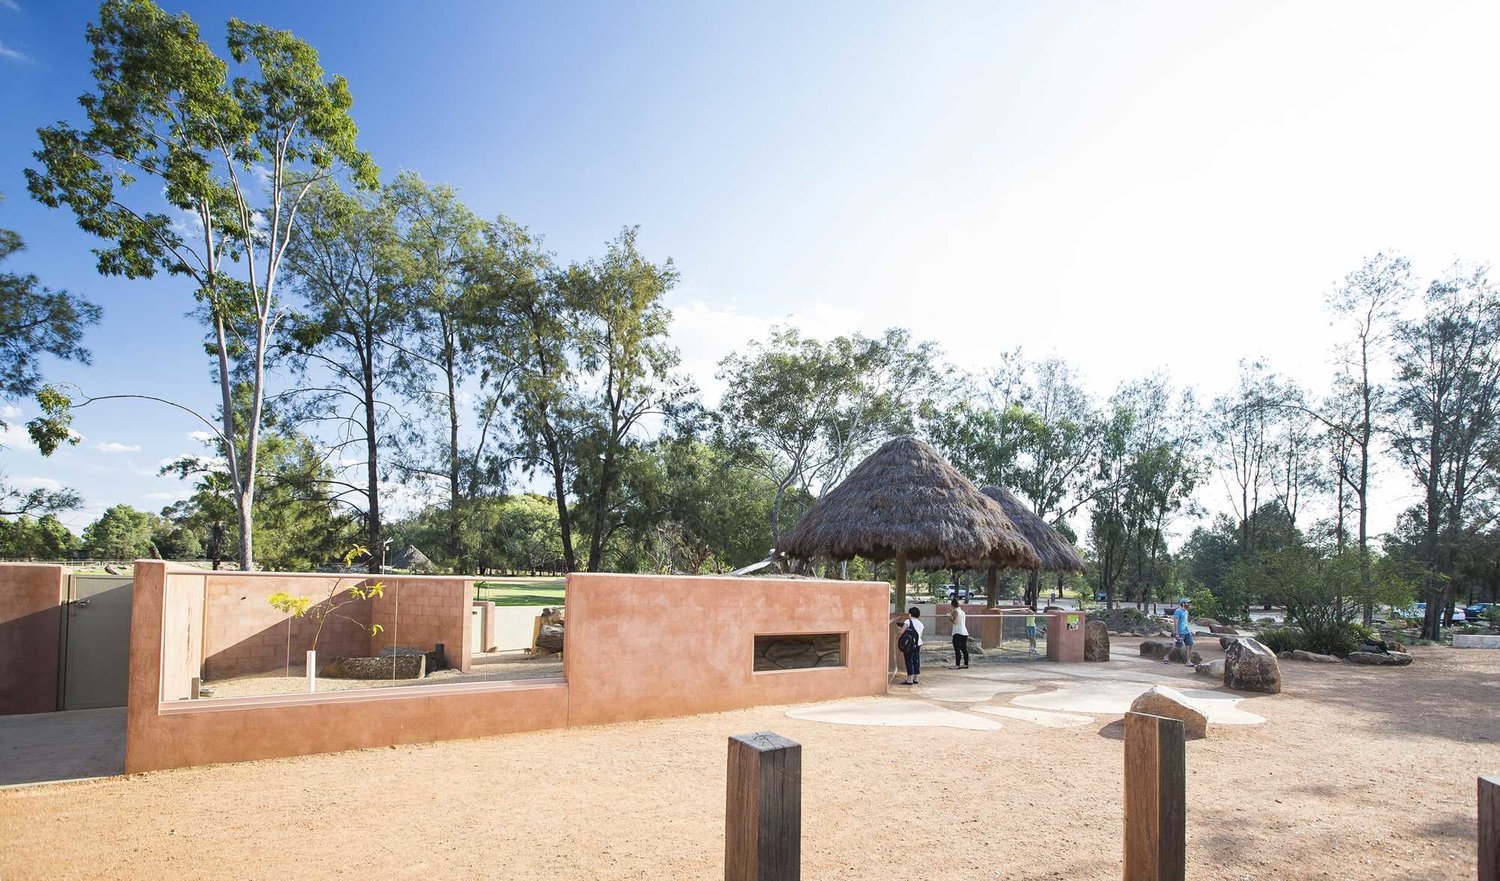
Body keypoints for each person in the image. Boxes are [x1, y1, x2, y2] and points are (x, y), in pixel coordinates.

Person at [897, 607, 924, 685]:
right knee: (916, 661)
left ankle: (909, 680)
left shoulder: (908, 621)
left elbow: (901, 632)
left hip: (909, 645)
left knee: (909, 661)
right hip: (918, 644)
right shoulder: (921, 623)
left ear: (910, 614)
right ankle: (916, 679)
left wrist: (899, 628)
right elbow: (920, 635)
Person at [1165, 598, 1194, 666]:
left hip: (1186, 632)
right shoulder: (1178, 611)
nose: (1189, 604)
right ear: (1183, 604)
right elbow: (1176, 622)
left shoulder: (1186, 612)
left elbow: (1185, 622)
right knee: (1178, 646)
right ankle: (1166, 656)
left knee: (1189, 645)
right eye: (1188, 603)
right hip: (1180, 632)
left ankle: (1188, 661)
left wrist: (1189, 630)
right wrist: (1176, 633)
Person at [949, 602, 970, 669]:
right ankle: (966, 664)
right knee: (964, 649)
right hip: (964, 632)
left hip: (958, 633)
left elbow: (955, 622)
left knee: (957, 649)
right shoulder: (962, 612)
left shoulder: (956, 611)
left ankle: (957, 665)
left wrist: (949, 617)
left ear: (952, 605)